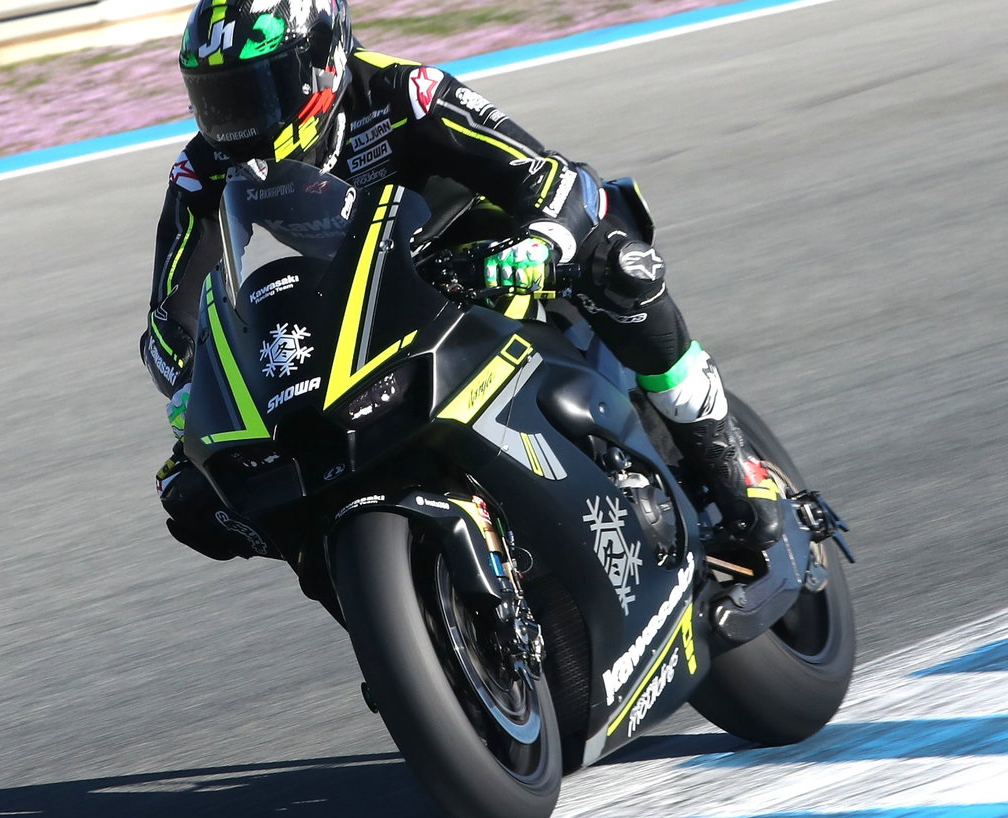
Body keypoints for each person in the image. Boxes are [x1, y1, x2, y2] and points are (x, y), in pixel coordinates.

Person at [144, 0, 781, 560]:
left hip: (485, 259)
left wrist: (541, 242)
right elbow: (169, 321)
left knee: (617, 265)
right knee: (200, 492)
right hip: (350, 317)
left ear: (321, 66)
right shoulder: (206, 172)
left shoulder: (403, 93)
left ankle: (729, 467)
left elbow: (548, 175)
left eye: (257, 91)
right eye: (217, 99)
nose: (236, 123)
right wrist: (185, 392)